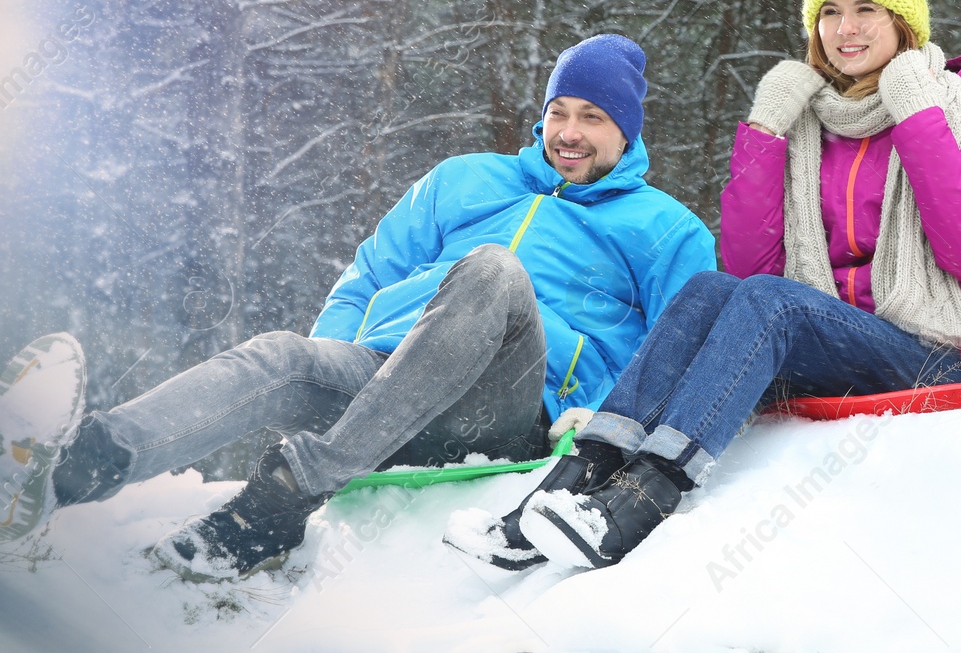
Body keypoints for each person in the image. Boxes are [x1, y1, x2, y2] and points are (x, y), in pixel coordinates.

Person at [0, 34, 716, 579]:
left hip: (504, 408)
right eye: (558, 111)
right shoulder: (463, 180)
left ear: (627, 131)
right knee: (278, 355)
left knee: (495, 273)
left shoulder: (664, 229)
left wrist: (590, 420)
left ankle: (285, 497)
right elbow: (369, 274)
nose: (568, 131)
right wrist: (332, 360)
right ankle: (69, 470)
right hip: (383, 376)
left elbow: (677, 349)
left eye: (592, 117)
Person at [464, 0, 961, 571]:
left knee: (770, 304)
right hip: (830, 344)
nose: (846, 28)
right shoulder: (811, 123)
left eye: (866, 9)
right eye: (829, 11)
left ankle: (643, 498)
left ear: (904, 22)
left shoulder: (959, 112)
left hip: (938, 355)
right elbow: (750, 267)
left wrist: (915, 113)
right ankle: (565, 491)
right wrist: (766, 131)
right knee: (708, 290)